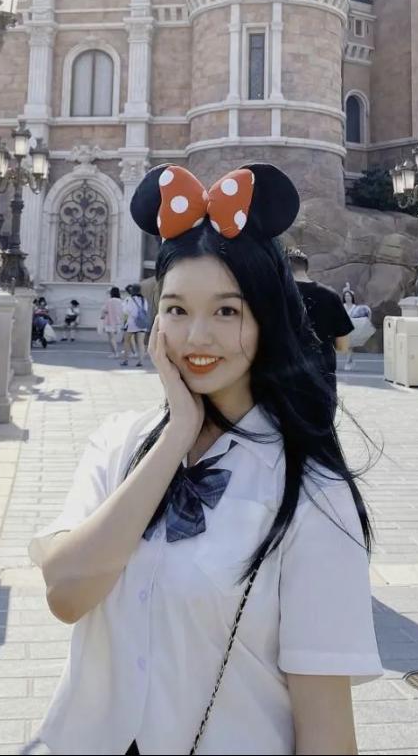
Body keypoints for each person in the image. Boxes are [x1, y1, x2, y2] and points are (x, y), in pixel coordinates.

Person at [30, 163, 382, 755]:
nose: (196, 338)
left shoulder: (311, 492)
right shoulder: (119, 444)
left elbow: (327, 731)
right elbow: (66, 594)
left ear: (266, 318)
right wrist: (176, 437)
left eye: (226, 311)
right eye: (176, 310)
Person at [285, 248, 353, 386]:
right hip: (323, 379)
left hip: (284, 382)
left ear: (283, 268)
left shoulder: (276, 295)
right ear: (306, 268)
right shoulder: (330, 295)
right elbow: (343, 346)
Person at [341, 285, 374, 371]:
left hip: (353, 329)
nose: (347, 298)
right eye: (346, 296)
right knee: (346, 347)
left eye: (349, 296)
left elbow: (363, 315)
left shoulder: (355, 308)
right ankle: (350, 361)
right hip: (344, 329)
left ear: (352, 297)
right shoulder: (342, 307)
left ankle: (348, 362)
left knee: (350, 346)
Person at [121, 283, 150, 368]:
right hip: (142, 323)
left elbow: (125, 311)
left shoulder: (129, 299)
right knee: (141, 343)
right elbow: (146, 310)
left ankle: (125, 360)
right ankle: (141, 361)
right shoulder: (144, 300)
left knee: (127, 341)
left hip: (131, 323)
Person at [100, 286, 126, 359]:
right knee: (113, 338)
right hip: (118, 322)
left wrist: (102, 317)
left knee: (111, 338)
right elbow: (123, 311)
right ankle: (114, 353)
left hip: (109, 321)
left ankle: (115, 353)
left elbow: (104, 310)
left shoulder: (109, 301)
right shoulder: (121, 301)